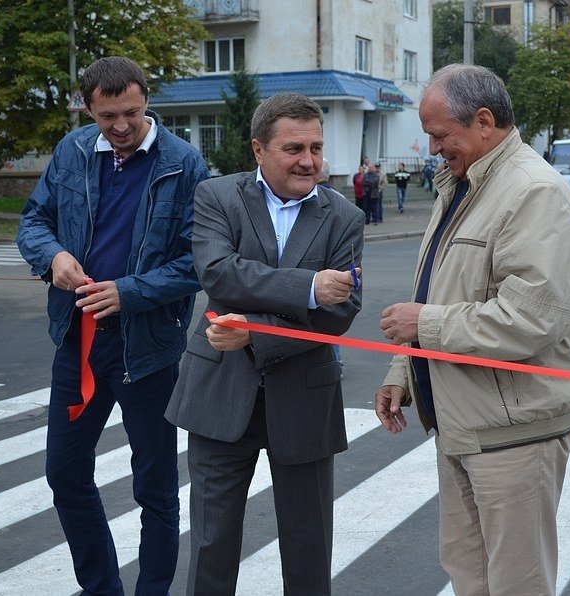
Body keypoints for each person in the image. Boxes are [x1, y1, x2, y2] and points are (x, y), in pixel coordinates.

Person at [374, 64, 570, 596]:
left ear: (484, 121)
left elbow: (532, 319)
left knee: (517, 583)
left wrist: (422, 325)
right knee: (470, 576)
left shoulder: (532, 191)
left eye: (439, 135)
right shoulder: (465, 183)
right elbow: (442, 289)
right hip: (465, 423)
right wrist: (404, 370)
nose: (432, 148)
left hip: (514, 433)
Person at [16, 56, 210, 595]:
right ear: (88, 109)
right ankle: (101, 587)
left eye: (131, 112)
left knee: (156, 487)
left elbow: (199, 261)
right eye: (107, 117)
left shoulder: (184, 163)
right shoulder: (73, 150)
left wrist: (128, 292)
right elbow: (33, 222)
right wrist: (53, 256)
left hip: (148, 349)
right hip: (77, 341)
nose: (121, 126)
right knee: (65, 474)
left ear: (147, 99)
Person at [166, 92, 364, 595]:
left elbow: (339, 312)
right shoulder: (217, 196)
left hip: (304, 398)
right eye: (294, 148)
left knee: (308, 549)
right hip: (219, 393)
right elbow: (219, 273)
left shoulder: (345, 218)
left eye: (316, 148)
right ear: (259, 149)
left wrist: (255, 332)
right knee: (211, 547)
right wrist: (308, 287)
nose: (309, 161)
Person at [318, 158, 344, 368]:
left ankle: (334, 360)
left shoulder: (318, 199)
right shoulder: (340, 198)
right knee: (330, 318)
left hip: (322, 271)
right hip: (336, 267)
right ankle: (336, 360)